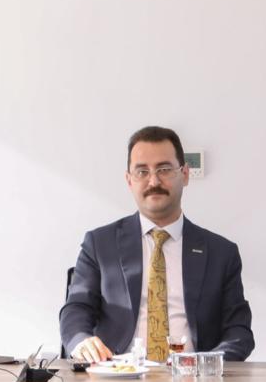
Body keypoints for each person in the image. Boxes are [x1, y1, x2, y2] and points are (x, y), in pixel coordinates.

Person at [60, 126, 254, 362]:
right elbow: (76, 308)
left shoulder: (221, 253)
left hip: (194, 378)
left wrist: (205, 365)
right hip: (118, 375)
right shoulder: (100, 244)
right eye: (142, 171)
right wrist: (81, 340)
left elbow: (239, 332)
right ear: (129, 180)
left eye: (164, 169)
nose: (153, 181)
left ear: (184, 174)